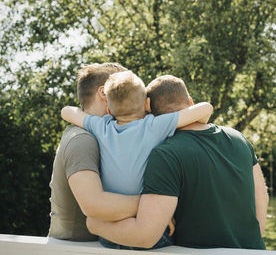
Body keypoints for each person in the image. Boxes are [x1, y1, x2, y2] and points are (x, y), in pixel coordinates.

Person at [86, 75, 269, 250]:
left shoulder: (166, 154)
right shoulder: (239, 139)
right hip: (253, 250)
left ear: (148, 109)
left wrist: (94, 224)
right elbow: (261, 198)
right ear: (190, 103)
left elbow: (144, 235)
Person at [61, 71, 213, 249]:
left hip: (110, 232)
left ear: (109, 110)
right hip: (148, 226)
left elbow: (67, 111)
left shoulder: (101, 126)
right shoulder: (155, 125)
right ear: (147, 104)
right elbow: (206, 108)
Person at [48, 63, 141, 241]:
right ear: (104, 93)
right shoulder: (82, 139)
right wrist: (157, 207)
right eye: (128, 91)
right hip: (73, 250)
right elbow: (94, 205)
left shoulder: (100, 134)